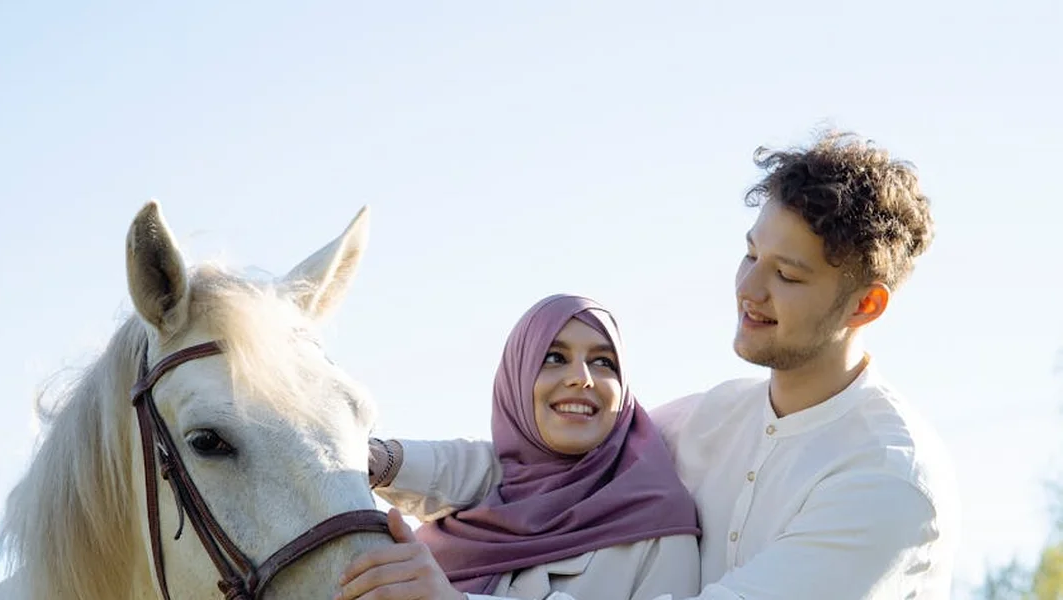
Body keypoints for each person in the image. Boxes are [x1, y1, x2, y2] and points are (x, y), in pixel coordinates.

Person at [340, 130, 961, 599]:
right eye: (750, 255)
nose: (750, 289)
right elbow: (533, 466)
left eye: (788, 275)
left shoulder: (888, 479)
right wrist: (374, 459)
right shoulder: (704, 420)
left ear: (866, 304)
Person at [348, 294, 703, 600]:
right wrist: (358, 456)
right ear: (515, 382)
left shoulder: (658, 523)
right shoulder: (484, 505)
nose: (582, 376)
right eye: (554, 358)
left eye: (603, 362)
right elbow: (461, 466)